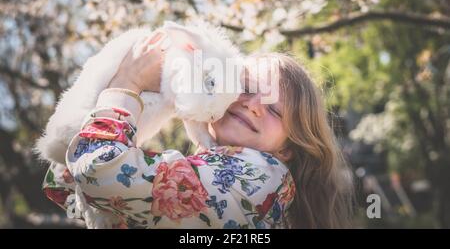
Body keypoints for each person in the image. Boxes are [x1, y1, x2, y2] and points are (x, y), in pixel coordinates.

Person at [42, 32, 354, 228]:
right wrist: (163, 101)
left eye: (274, 109)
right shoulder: (203, 168)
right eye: (245, 88)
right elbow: (66, 183)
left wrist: (128, 83)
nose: (253, 105)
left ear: (287, 148)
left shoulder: (264, 176)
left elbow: (98, 172)